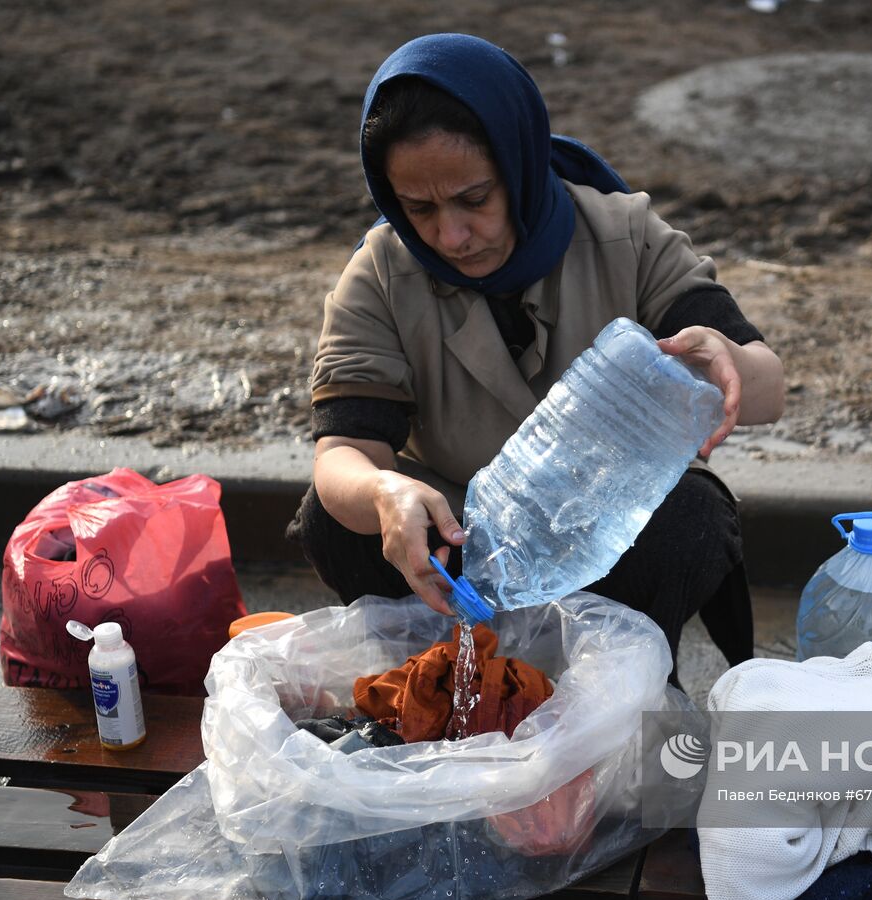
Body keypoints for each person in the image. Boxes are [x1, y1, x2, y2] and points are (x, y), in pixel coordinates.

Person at [287, 33, 784, 683]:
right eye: (419, 208)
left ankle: (611, 680)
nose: (450, 235)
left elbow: (768, 389)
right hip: (463, 526)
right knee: (333, 518)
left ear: (518, 163)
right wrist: (386, 491)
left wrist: (726, 362)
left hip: (603, 518)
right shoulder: (382, 272)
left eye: (474, 199)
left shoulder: (623, 236)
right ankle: (439, 673)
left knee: (691, 520)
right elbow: (343, 452)